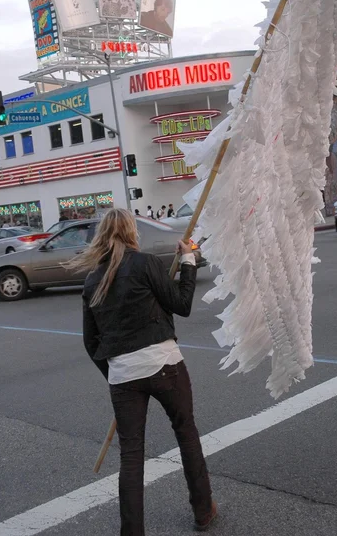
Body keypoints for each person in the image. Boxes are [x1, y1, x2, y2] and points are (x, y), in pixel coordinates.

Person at [75, 209, 217, 535]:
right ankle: (203, 510)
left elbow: (90, 341)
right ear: (131, 232)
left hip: (123, 376)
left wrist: (115, 373)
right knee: (186, 433)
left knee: (131, 455)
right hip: (164, 363)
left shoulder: (93, 279)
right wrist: (188, 262)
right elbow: (181, 304)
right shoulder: (147, 264)